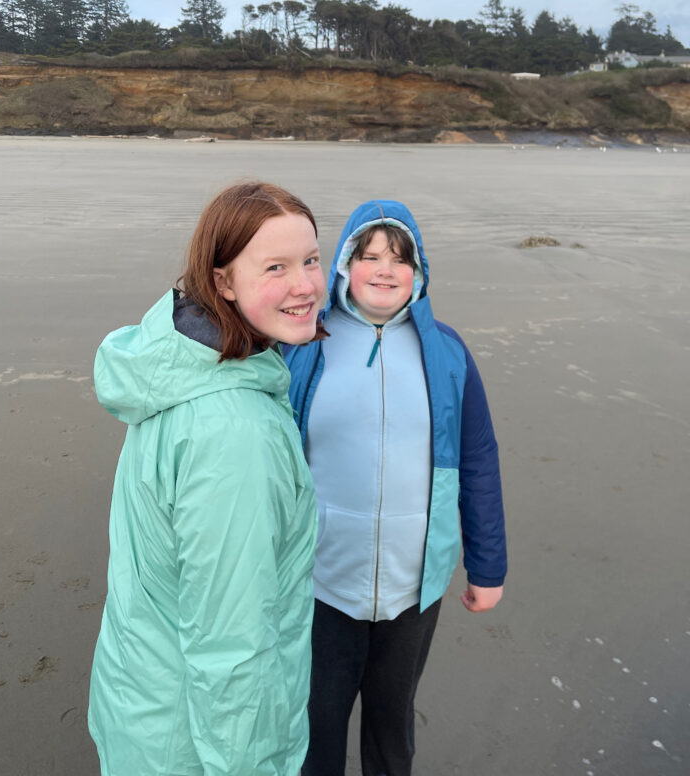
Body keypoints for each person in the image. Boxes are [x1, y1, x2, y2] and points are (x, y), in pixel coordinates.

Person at [88, 181, 326, 776]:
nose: (305, 286)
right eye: (276, 266)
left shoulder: (176, 364)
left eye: (312, 260)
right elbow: (232, 648)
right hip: (191, 746)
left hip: (143, 703)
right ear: (223, 281)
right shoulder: (235, 433)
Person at [285, 199, 507, 776]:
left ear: (419, 272)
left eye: (400, 259)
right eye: (370, 255)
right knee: (314, 727)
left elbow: (479, 461)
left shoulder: (448, 354)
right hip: (319, 581)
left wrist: (488, 569)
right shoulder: (304, 344)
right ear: (343, 265)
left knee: (392, 732)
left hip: (414, 586)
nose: (385, 269)